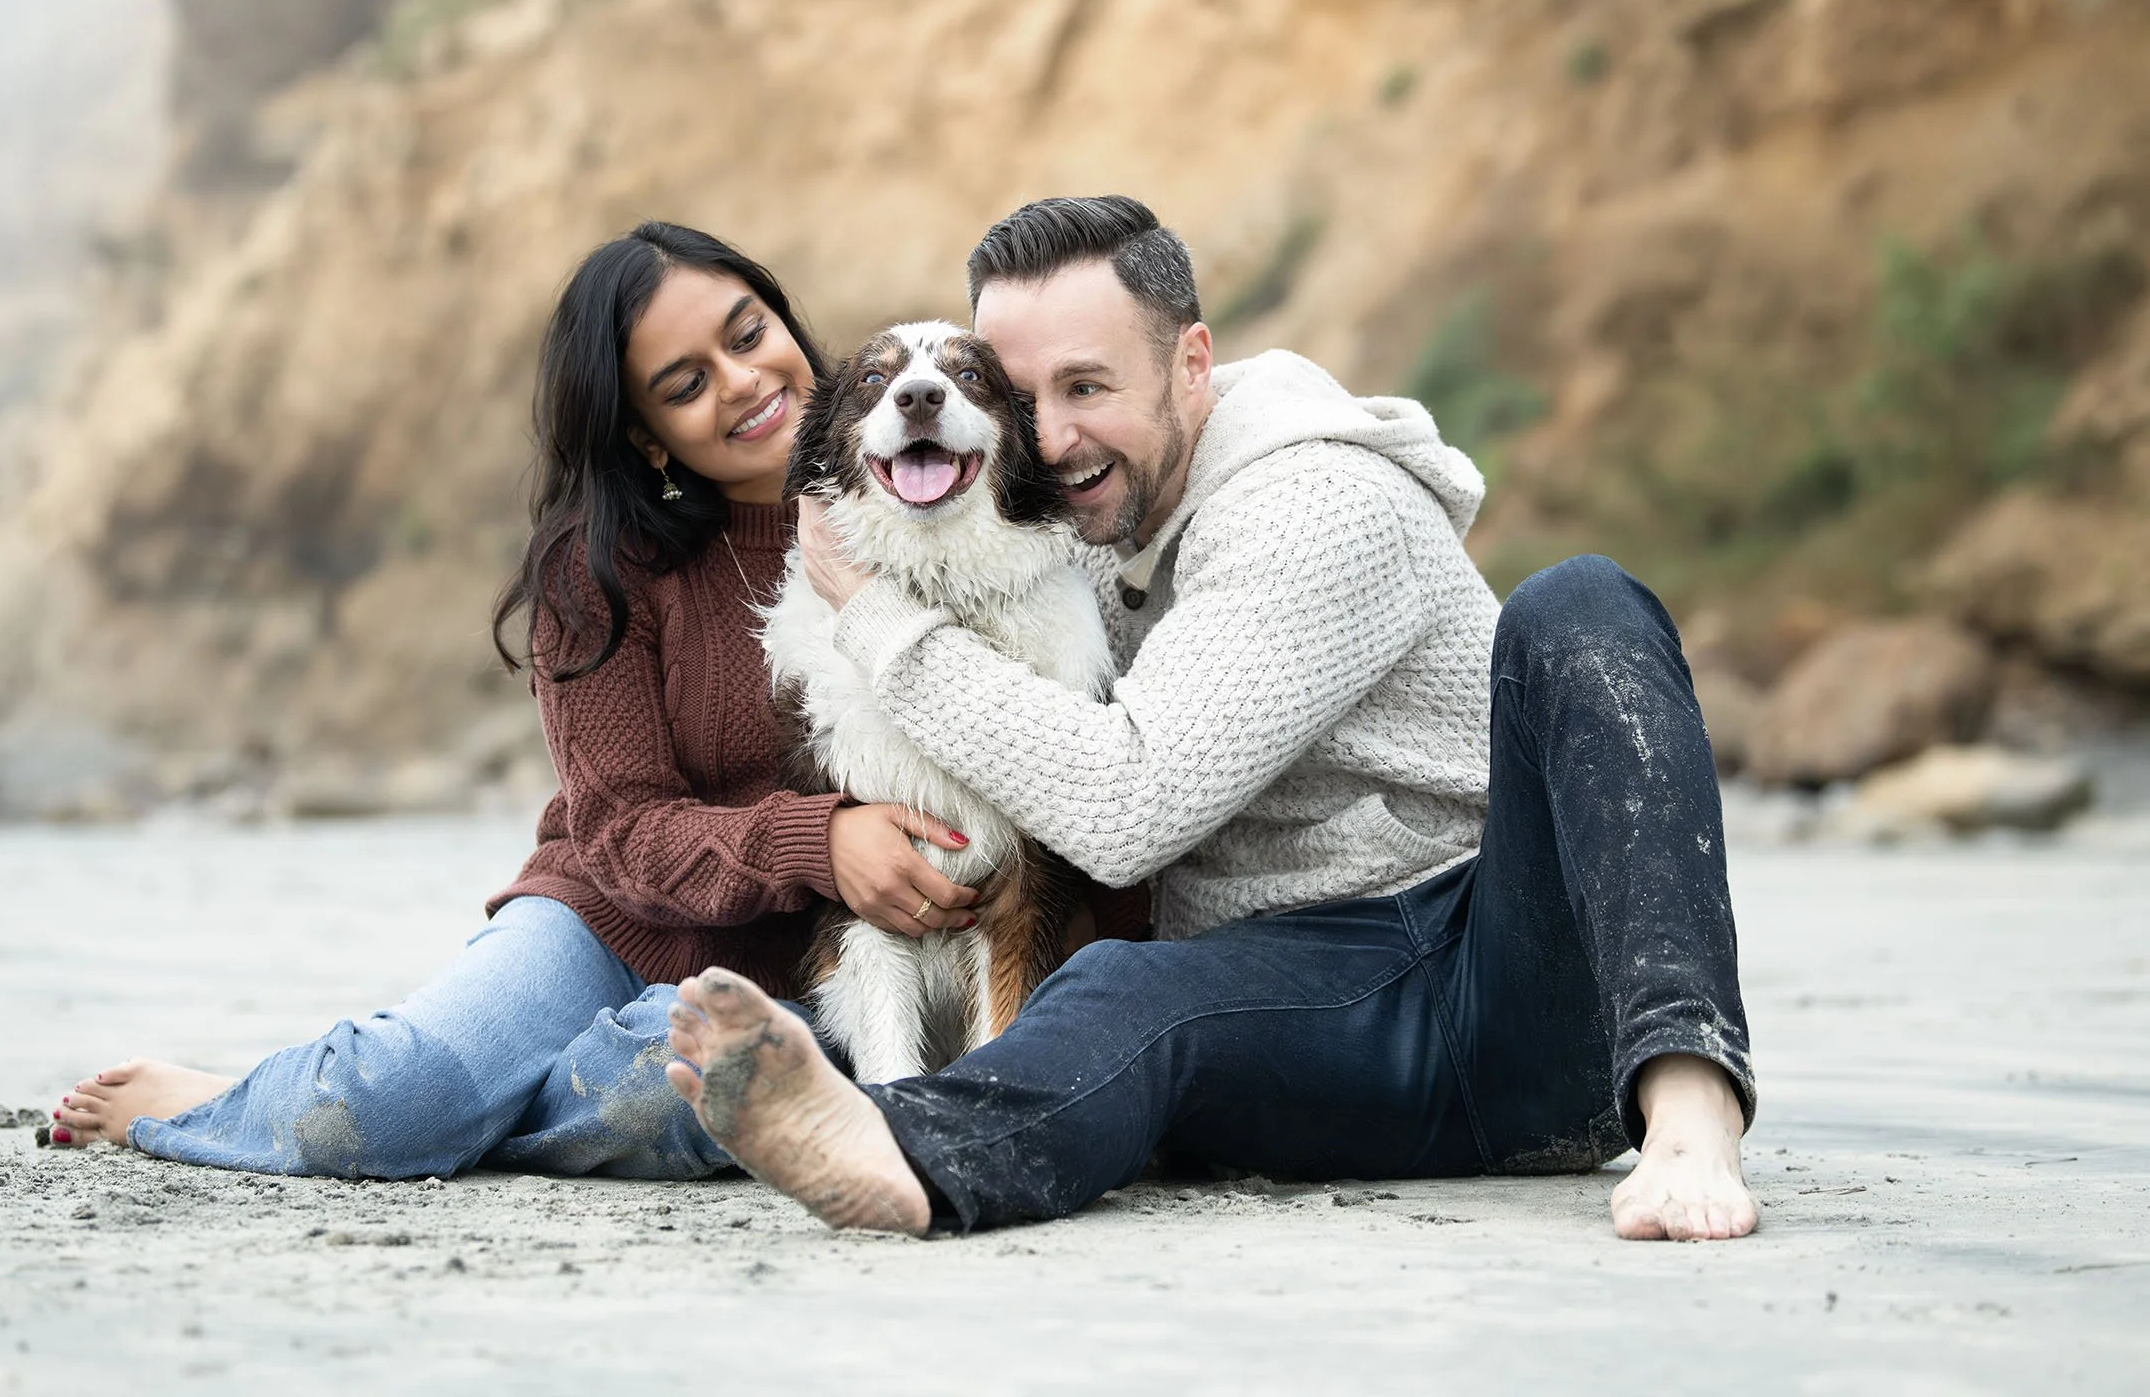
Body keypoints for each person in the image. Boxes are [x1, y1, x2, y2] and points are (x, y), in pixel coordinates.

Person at [663, 195, 1762, 1243]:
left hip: (1504, 969)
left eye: (1088, 385)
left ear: (1192, 364)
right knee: (1114, 990)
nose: (1049, 438)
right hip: (1305, 1009)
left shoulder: (1318, 504)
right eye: (1022, 395)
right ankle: (904, 1152)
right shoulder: (1080, 530)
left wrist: (872, 611)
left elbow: (1127, 806)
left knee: (1579, 601)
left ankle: (1690, 1107)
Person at [45, 221, 996, 1177]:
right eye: (685, 385)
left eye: (747, 337)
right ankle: (261, 1098)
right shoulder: (602, 575)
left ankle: (439, 1097)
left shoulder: (939, 505)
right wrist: (817, 841)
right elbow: (620, 829)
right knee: (382, 1113)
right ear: (644, 435)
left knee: (647, 1096)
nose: (741, 381)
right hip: (606, 930)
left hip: (816, 979)